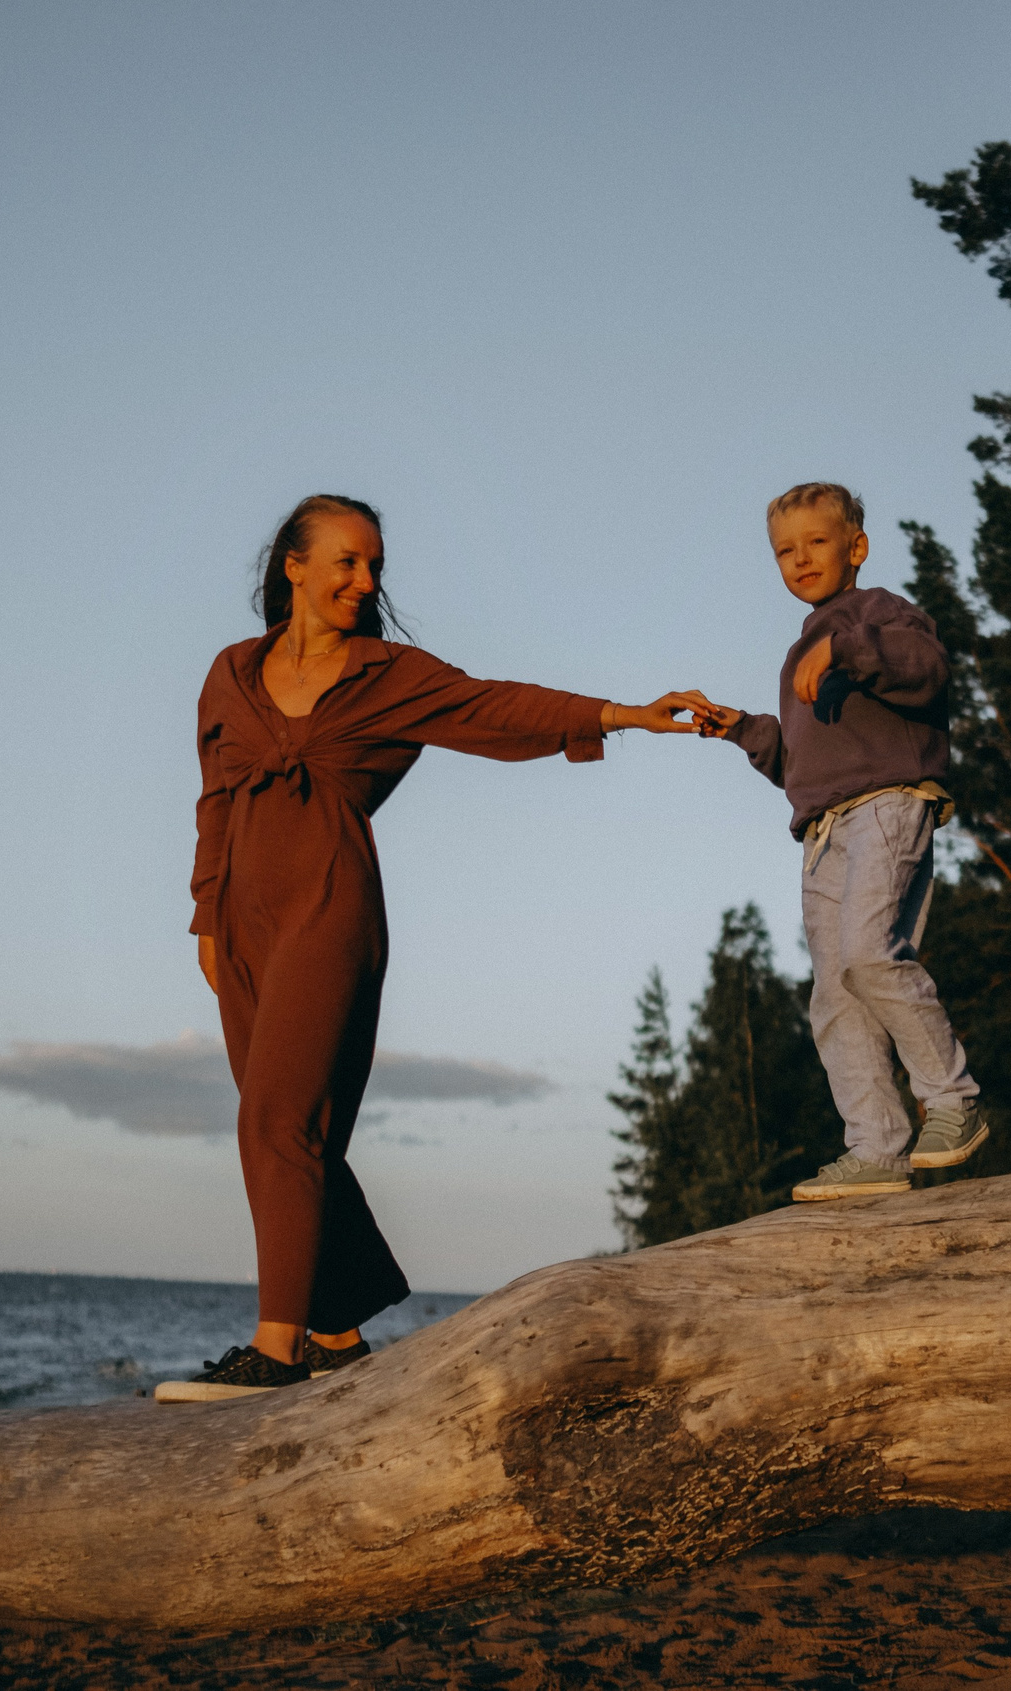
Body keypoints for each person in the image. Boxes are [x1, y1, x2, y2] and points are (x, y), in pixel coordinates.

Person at [160, 494, 706, 1402]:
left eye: (373, 565)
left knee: (274, 1124)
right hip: (242, 925)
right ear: (293, 565)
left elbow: (497, 707)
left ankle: (277, 1348)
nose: (365, 581)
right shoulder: (230, 673)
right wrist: (207, 919)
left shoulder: (388, 674)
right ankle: (338, 1331)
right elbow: (214, 801)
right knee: (299, 1135)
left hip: (328, 907)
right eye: (346, 562)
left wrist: (624, 715)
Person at [692, 482, 985, 1201]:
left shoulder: (877, 614)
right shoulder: (801, 650)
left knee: (869, 953)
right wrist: (744, 729)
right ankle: (876, 1148)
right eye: (783, 551)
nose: (799, 559)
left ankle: (953, 1102)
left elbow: (927, 671)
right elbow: (803, 765)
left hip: (889, 804)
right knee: (834, 993)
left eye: (815, 543)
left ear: (855, 547)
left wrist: (851, 648)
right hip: (823, 832)